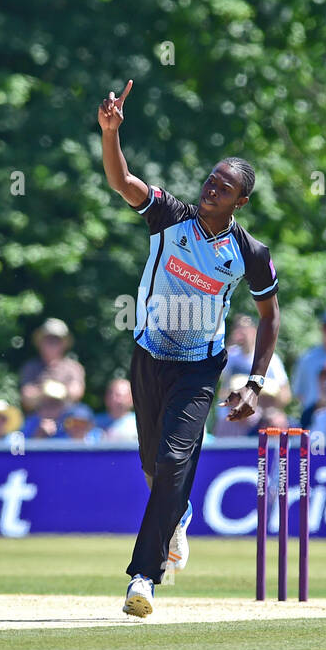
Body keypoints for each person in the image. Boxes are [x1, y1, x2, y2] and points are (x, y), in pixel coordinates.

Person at [100, 79, 279, 618]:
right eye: (210, 181)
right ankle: (176, 518)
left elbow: (270, 317)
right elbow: (122, 181)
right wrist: (111, 133)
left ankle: (142, 579)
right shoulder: (170, 217)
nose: (211, 190)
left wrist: (254, 382)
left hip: (200, 368)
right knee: (155, 468)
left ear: (240, 201)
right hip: (149, 357)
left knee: (176, 461)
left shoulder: (250, 253)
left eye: (224, 189)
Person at [19, 318, 86, 412]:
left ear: (64, 344)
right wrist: (46, 391)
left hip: (67, 417)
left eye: (57, 340)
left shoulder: (73, 367)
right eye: (48, 339)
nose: (52, 343)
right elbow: (27, 397)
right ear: (40, 342)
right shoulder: (31, 367)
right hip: (39, 417)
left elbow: (77, 392)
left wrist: (54, 391)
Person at [95, 378, 138, 442]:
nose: (113, 398)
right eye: (110, 394)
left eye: (118, 395)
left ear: (131, 398)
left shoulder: (139, 423)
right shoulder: (95, 422)